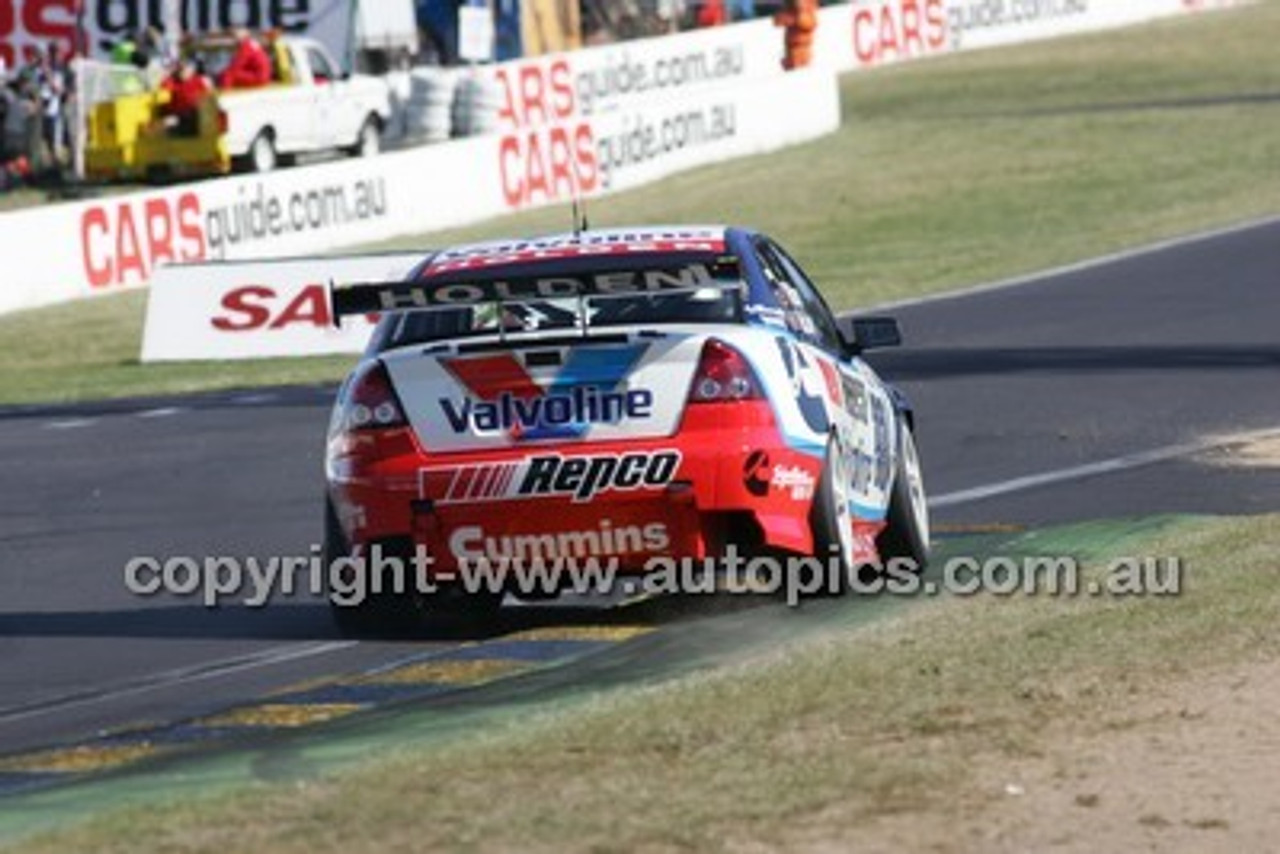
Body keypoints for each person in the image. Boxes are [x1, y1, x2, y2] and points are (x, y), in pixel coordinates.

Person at [161, 58, 212, 136]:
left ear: (192, 71)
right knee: (168, 122)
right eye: (181, 69)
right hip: (178, 115)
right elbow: (165, 85)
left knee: (197, 117)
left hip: (195, 113)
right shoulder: (174, 83)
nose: (183, 72)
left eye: (186, 69)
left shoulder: (199, 81)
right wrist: (169, 73)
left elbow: (209, 97)